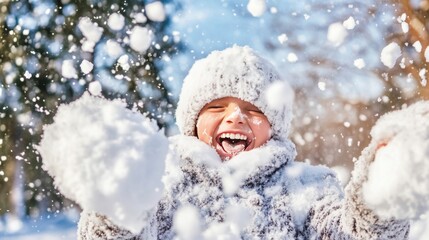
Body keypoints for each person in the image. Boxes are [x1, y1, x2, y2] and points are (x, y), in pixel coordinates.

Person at [76, 45, 410, 239]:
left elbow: (350, 234)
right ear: (192, 123)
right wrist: (116, 200)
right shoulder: (161, 182)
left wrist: (379, 196)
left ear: (273, 128)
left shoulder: (306, 188)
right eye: (218, 107)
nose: (236, 117)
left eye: (253, 110)